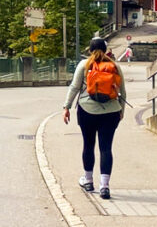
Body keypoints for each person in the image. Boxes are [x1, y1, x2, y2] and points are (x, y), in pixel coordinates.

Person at [62, 37, 126, 200]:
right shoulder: (115, 66)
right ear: (105, 50)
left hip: (87, 110)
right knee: (106, 148)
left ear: (90, 50)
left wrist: (67, 107)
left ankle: (88, 181)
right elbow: (122, 91)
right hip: (111, 111)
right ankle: (105, 186)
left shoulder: (84, 65)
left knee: (88, 144)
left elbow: (75, 87)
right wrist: (121, 110)